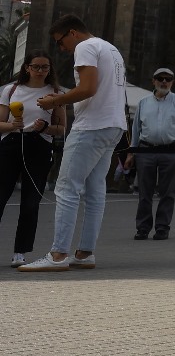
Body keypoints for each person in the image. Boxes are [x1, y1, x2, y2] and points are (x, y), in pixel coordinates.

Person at [19, 15, 128, 272]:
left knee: (67, 188)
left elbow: (88, 88)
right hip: (114, 124)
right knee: (94, 191)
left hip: (92, 125)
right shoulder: (111, 49)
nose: (62, 48)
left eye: (60, 41)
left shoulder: (85, 47)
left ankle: (58, 254)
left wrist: (55, 101)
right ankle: (85, 252)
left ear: (72, 33)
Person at [0, 50, 68, 266]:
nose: (40, 71)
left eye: (44, 67)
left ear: (50, 69)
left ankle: (20, 251)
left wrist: (46, 127)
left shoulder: (56, 93)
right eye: (36, 66)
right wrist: (11, 125)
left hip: (39, 146)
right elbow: (0, 122)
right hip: (11, 144)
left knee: (30, 202)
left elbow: (61, 128)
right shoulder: (11, 90)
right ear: (27, 67)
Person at [127, 65, 175, 240]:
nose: (164, 82)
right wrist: (132, 152)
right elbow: (136, 127)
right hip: (146, 150)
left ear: (172, 82)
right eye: (160, 78)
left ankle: (162, 227)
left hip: (170, 150)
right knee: (144, 192)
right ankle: (143, 228)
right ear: (153, 81)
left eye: (167, 79)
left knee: (168, 192)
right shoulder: (143, 103)